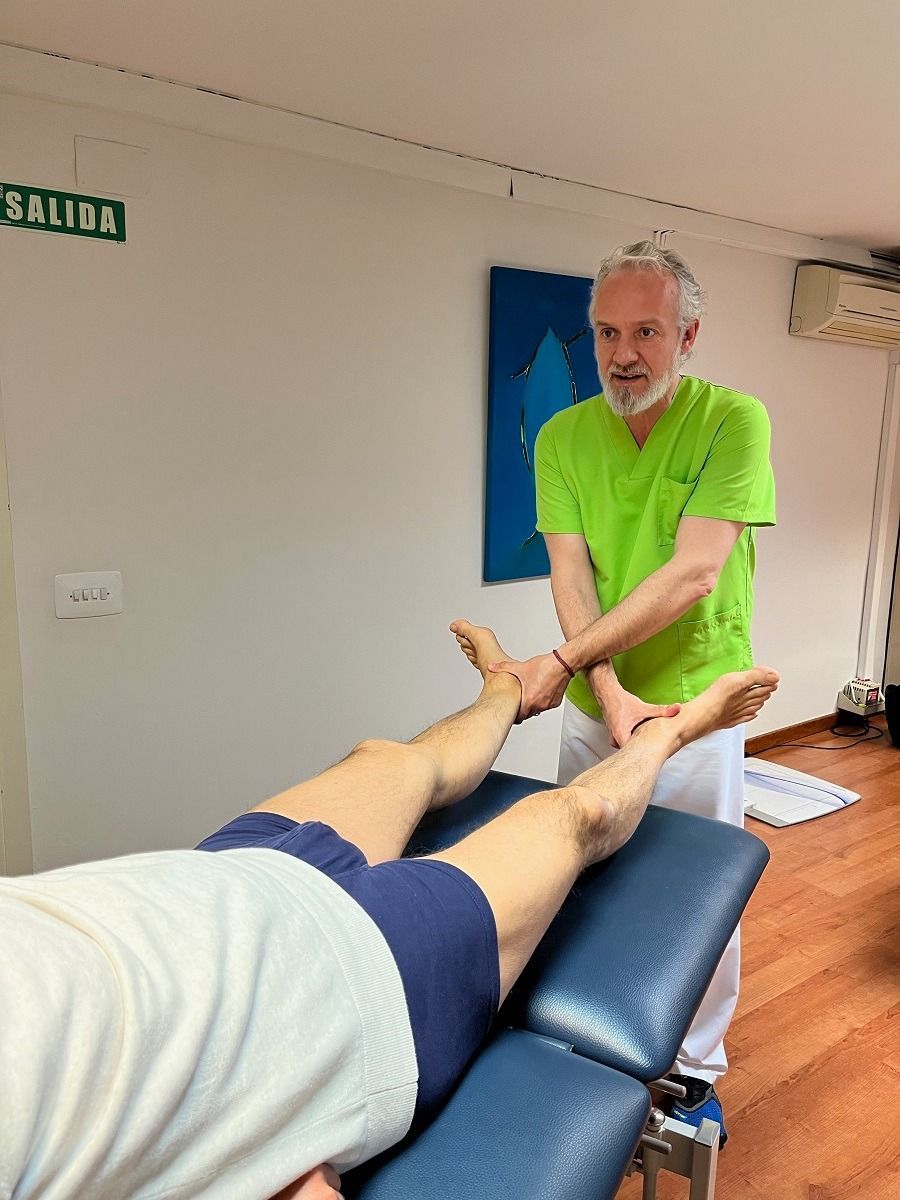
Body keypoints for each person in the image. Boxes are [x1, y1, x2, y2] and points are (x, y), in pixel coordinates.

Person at [0, 622, 777, 1199]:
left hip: (208, 883)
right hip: (346, 979)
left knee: (389, 759)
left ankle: (503, 688)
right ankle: (673, 732)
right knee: (571, 819)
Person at [489, 240, 776, 1137]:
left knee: (699, 895)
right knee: (586, 872)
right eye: (609, 332)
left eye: (647, 331)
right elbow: (572, 579)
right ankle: (585, 1031)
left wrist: (572, 665)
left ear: (687, 335)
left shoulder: (734, 421)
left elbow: (694, 572)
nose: (624, 354)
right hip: (597, 707)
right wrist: (604, 692)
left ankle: (691, 1073)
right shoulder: (567, 437)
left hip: (697, 704)